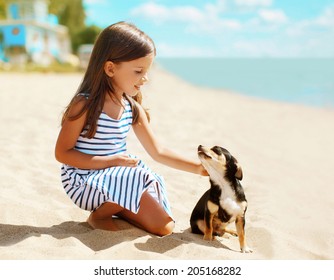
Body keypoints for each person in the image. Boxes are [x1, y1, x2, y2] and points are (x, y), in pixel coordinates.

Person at [55, 21, 207, 237]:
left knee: (164, 227)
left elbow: (158, 151)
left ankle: (119, 205)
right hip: (83, 180)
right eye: (138, 71)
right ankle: (99, 215)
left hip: (118, 176)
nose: (145, 79)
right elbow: (62, 153)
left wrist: (199, 168)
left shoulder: (132, 108)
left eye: (147, 71)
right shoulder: (85, 104)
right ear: (110, 68)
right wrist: (111, 161)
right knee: (136, 175)